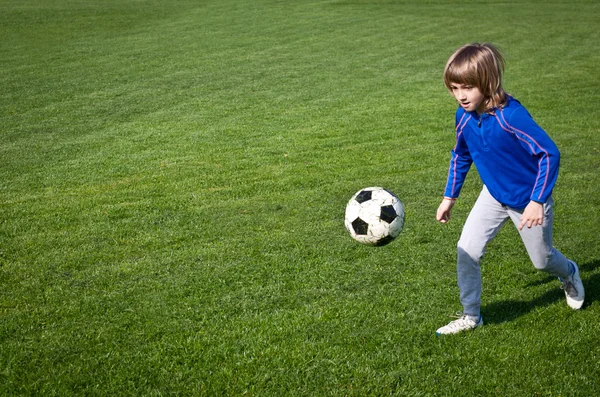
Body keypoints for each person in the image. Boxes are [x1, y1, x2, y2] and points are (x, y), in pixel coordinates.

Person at [435, 43, 584, 335]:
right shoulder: (463, 116)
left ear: (487, 81)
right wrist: (449, 197)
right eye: (454, 88)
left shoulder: (510, 117)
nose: (460, 96)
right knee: (466, 250)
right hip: (493, 195)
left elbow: (549, 154)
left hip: (527, 201)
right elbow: (461, 154)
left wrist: (537, 200)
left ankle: (569, 271)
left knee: (542, 262)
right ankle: (472, 315)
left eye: (467, 87)